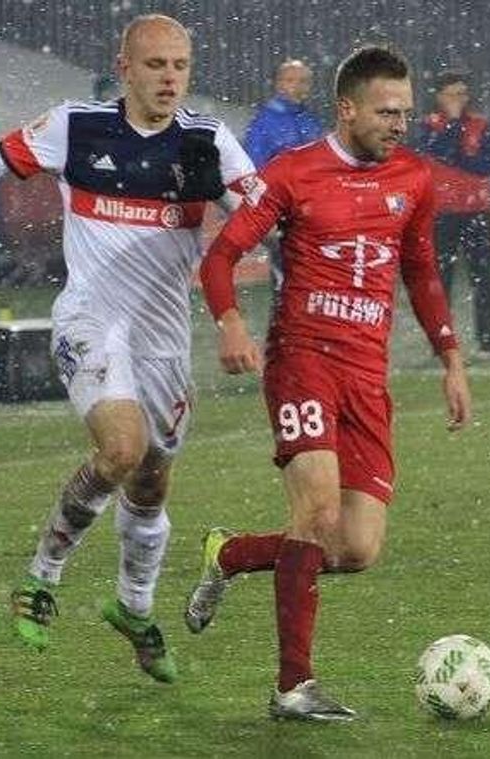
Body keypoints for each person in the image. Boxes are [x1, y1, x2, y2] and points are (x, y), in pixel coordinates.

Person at [0, 14, 256, 682]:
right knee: (120, 448)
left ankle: (134, 606)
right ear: (125, 68)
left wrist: (228, 199)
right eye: (155, 65)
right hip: (91, 320)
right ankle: (42, 575)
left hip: (162, 338)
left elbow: (266, 216)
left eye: (180, 66)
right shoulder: (77, 126)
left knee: (151, 481)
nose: (169, 79)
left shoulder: (210, 141)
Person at [187, 46, 472, 720]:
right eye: (386, 111)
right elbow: (223, 255)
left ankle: (228, 553)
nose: (400, 123)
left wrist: (451, 358)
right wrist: (230, 322)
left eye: (405, 111)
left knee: (355, 548)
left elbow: (423, 273)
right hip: (303, 360)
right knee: (315, 515)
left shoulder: (414, 177)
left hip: (367, 376)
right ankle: (294, 685)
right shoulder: (294, 173)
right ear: (347, 109)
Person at [416, 70, 490, 354]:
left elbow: (486, 165)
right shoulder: (430, 124)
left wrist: (461, 159)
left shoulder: (481, 124)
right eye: (452, 94)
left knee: (482, 275)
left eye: (462, 94)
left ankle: (488, 337)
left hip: (476, 210)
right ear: (439, 97)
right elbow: (439, 151)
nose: (458, 99)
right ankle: (440, 340)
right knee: (441, 278)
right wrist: (455, 129)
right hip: (443, 213)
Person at [242, 59, 323, 290]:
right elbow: (253, 169)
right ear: (279, 84)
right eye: (291, 80)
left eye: (304, 81)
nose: (297, 86)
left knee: (313, 283)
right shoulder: (265, 123)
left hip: (313, 213)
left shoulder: (309, 120)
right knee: (288, 283)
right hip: (284, 214)